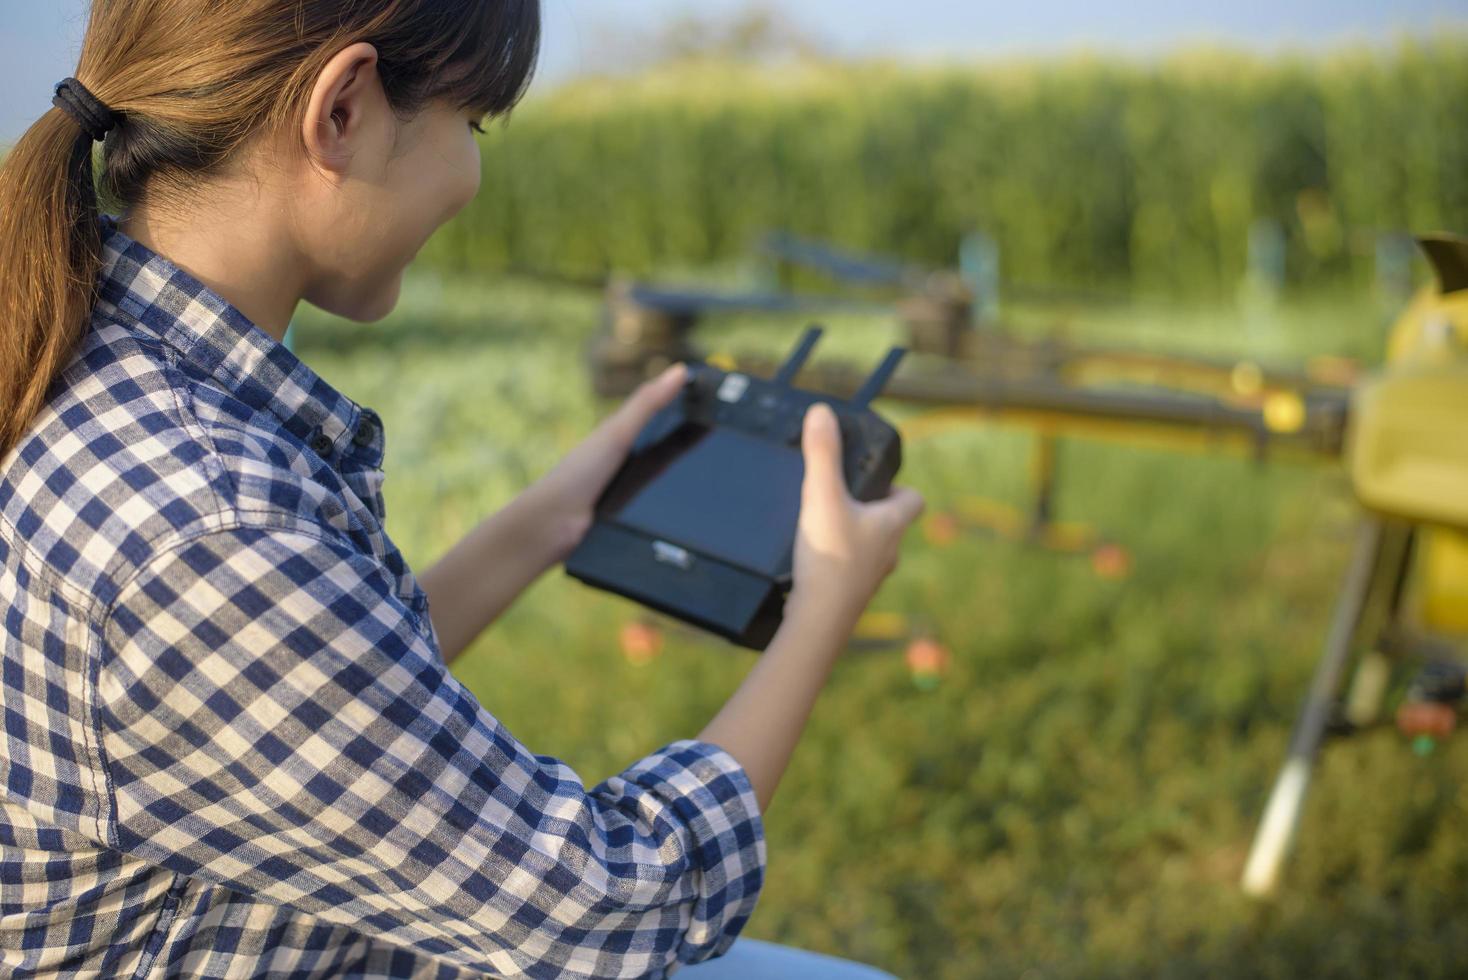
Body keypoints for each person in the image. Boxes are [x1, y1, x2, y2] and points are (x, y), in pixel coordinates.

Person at [0, 2, 924, 977]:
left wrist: (552, 516)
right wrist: (822, 600)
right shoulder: (211, 522)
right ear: (343, 110)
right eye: (470, 124)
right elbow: (601, 910)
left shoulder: (82, 361)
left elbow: (321, 693)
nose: (471, 175)